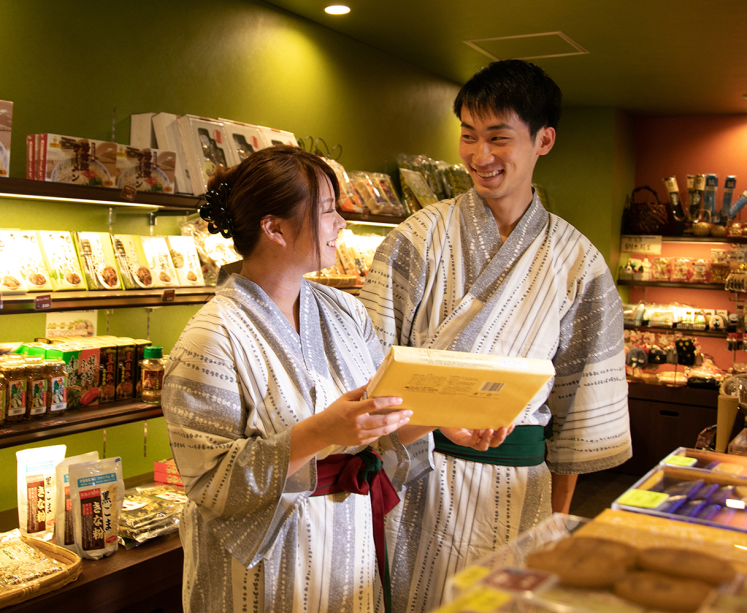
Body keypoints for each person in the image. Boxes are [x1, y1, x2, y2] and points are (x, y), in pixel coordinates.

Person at [359, 59, 632, 611]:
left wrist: (554, 522)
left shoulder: (579, 262)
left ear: (544, 140)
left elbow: (579, 407)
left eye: (498, 138)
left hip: (519, 487)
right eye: (468, 136)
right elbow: (364, 360)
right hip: (417, 475)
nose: (480, 156)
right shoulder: (418, 237)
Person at [162, 145, 434, 612]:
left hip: (349, 541)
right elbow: (209, 482)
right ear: (275, 228)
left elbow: (381, 419)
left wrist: (447, 418)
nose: (340, 224)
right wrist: (325, 430)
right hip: (265, 564)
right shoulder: (211, 336)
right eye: (328, 210)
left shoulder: (346, 311)